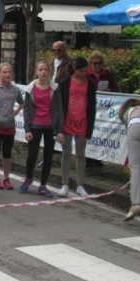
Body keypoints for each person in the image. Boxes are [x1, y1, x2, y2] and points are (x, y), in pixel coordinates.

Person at [21, 61, 64, 197]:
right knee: (32, 155)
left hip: (50, 125)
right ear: (37, 72)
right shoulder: (30, 89)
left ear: (49, 72)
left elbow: (59, 109)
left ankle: (43, 185)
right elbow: (26, 110)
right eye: (40, 69)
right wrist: (27, 129)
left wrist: (60, 130)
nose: (43, 72)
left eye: (46, 69)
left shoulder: (55, 88)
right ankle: (28, 178)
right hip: (35, 124)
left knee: (48, 156)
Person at [58, 56, 97, 197]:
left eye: (86, 70)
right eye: (81, 71)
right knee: (66, 153)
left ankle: (80, 184)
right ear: (74, 70)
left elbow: (91, 108)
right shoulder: (65, 83)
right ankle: (65, 183)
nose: (84, 73)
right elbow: (60, 105)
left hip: (82, 123)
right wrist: (59, 128)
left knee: (81, 154)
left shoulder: (90, 84)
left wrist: (89, 130)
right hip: (67, 123)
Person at [0, 63, 24, 191]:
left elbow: (22, 103)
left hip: (9, 125)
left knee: (7, 153)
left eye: (9, 72)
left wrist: (13, 114)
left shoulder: (15, 90)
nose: (8, 74)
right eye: (4, 72)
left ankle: (7, 178)